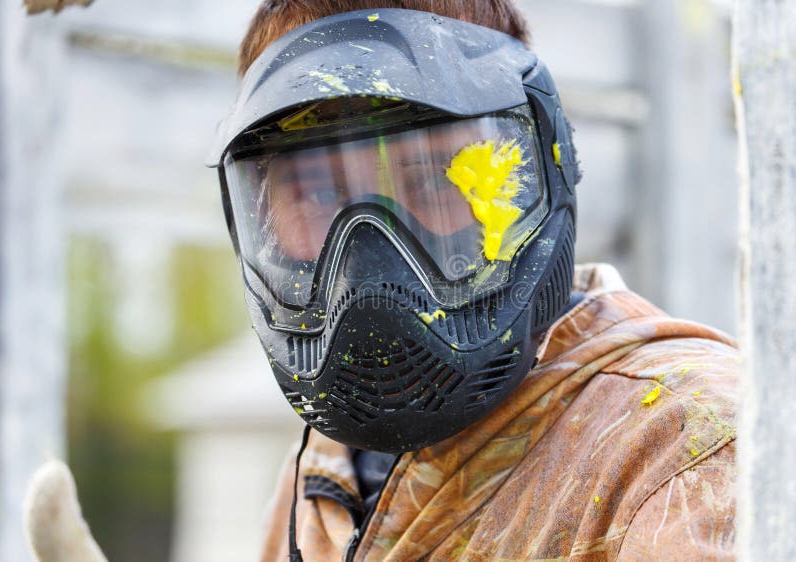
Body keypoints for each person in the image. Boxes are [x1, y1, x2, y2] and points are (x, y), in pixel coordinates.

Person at [208, 2, 738, 560]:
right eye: (317, 193)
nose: (368, 267)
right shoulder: (324, 469)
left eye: (436, 180)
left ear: (539, 172)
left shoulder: (687, 451)